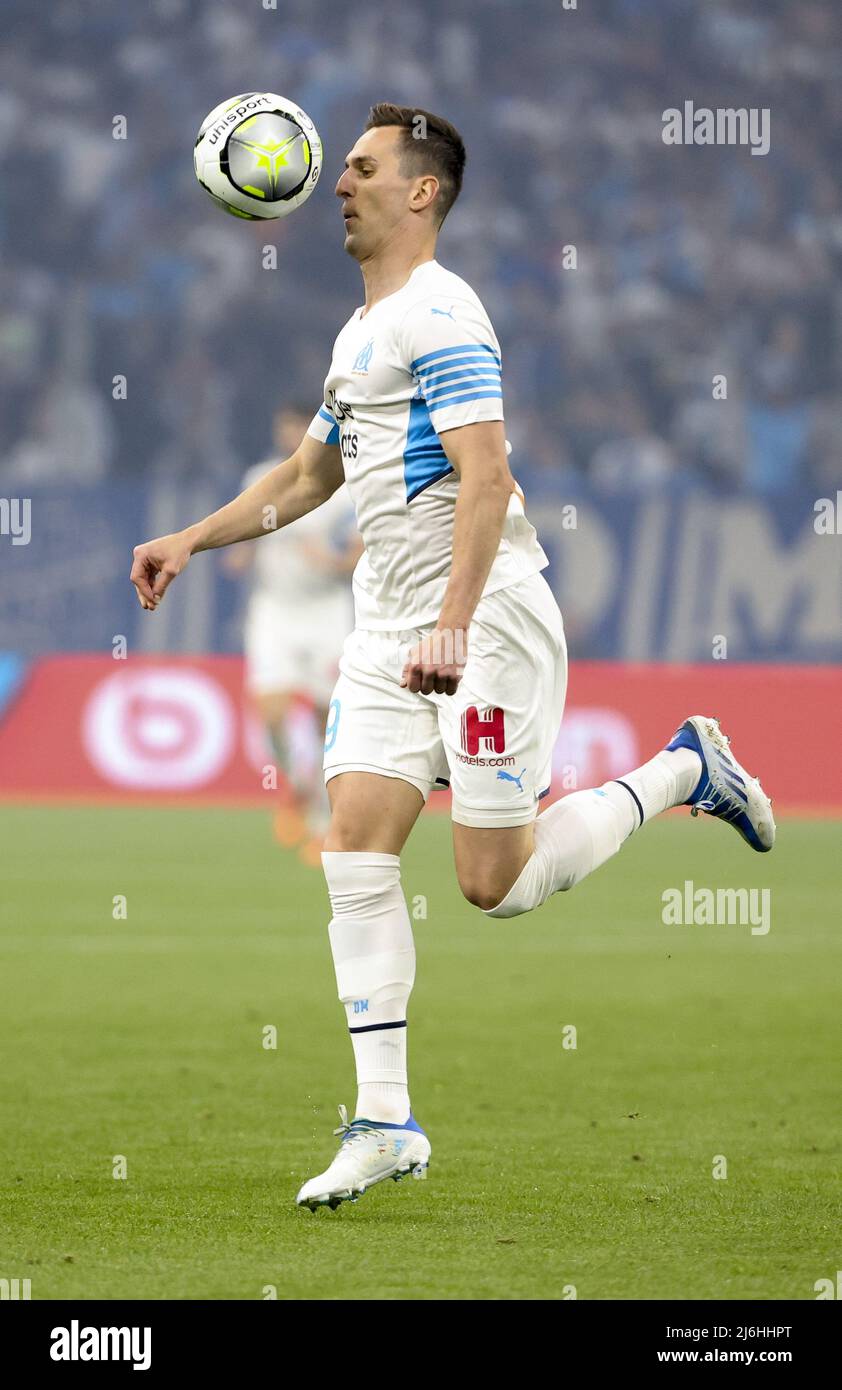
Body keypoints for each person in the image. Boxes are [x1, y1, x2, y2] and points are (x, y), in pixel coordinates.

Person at [130, 103, 775, 1213]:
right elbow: (305, 480)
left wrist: (458, 621)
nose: (339, 182)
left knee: (494, 885)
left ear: (420, 191)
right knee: (353, 845)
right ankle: (384, 1120)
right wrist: (192, 536)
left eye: (365, 168)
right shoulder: (356, 332)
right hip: (384, 632)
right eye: (341, 168)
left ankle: (684, 767)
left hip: (481, 624)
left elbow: (485, 477)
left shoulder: (444, 313)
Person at [223, 403, 361, 864]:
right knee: (272, 711)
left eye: (296, 428)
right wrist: (238, 553)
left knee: (328, 715)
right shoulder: (261, 477)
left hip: (326, 609)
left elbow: (360, 555)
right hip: (274, 610)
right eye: (282, 428)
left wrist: (333, 562)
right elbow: (244, 533)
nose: (288, 436)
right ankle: (299, 787)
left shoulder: (346, 485)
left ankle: (324, 821)